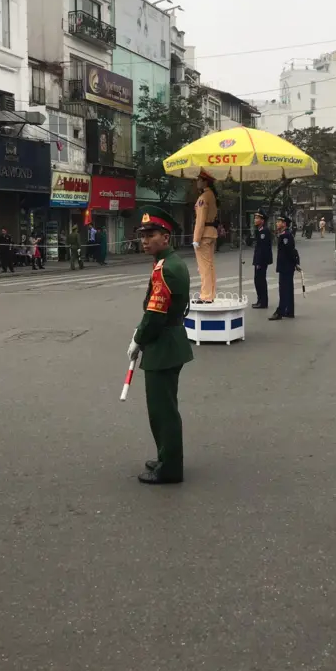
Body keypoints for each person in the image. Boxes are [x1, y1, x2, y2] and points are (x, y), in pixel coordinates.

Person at [127, 206, 193, 485]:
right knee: (164, 407)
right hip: (169, 341)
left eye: (151, 234)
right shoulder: (169, 263)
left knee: (162, 411)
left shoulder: (166, 269)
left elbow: (155, 315)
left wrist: (138, 339)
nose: (144, 240)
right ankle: (166, 456)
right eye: (142, 235)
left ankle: (170, 468)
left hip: (163, 344)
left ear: (166, 237)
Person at [192, 170, 219, 303]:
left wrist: (196, 239)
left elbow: (200, 219)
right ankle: (211, 294)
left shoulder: (203, 198)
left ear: (205, 181)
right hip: (211, 232)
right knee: (210, 265)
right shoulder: (212, 195)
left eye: (199, 180)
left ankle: (206, 295)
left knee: (204, 267)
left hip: (204, 234)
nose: (197, 182)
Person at [270, 214, 297, 320]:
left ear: (284, 224)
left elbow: (289, 252)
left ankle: (280, 312)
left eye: (279, 222)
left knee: (284, 289)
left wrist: (294, 263)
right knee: (289, 289)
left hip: (286, 266)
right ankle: (289, 311)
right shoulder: (285, 234)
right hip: (287, 266)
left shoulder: (285, 235)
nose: (277, 223)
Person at [251, 209, 273, 309]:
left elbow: (263, 249)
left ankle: (263, 302)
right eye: (255, 218)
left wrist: (259, 262)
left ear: (262, 220)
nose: (255, 220)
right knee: (257, 280)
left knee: (260, 281)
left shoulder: (264, 231)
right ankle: (260, 300)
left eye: (257, 218)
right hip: (258, 259)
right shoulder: (259, 230)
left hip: (261, 260)